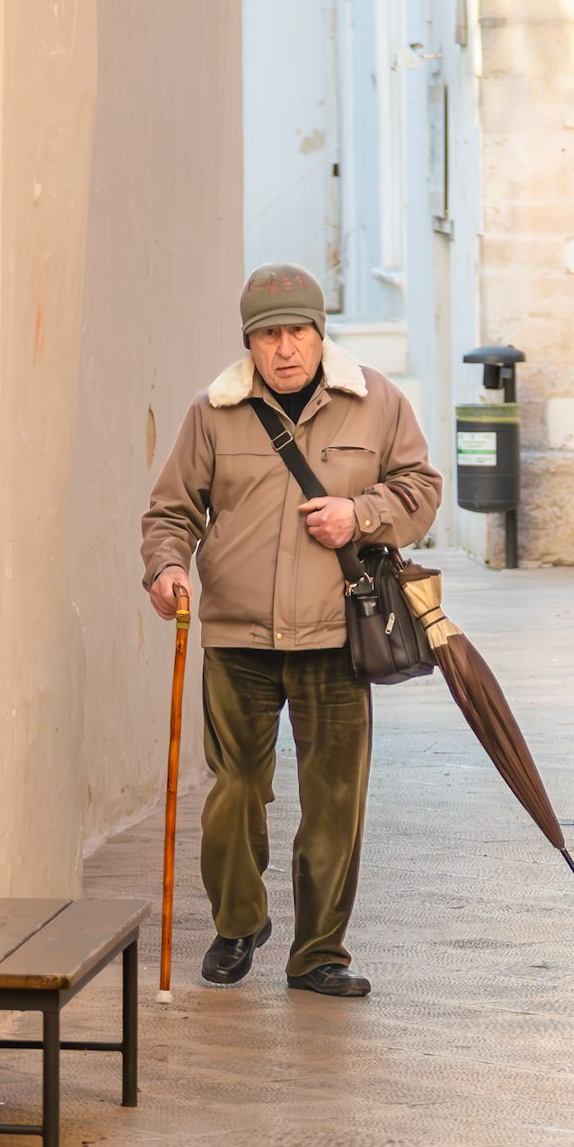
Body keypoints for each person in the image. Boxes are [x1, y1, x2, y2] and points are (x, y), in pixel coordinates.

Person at [142, 264, 442, 997]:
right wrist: (165, 567)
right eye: (268, 334)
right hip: (237, 638)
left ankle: (318, 954)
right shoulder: (212, 412)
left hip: (337, 636)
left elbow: (421, 489)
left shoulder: (376, 403)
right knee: (235, 792)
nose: (284, 348)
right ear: (249, 341)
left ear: (319, 334)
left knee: (334, 799)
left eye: (297, 331)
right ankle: (240, 922)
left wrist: (359, 515)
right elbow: (172, 510)